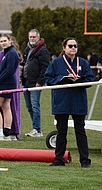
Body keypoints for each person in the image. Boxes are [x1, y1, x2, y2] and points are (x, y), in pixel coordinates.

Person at [44, 37, 94, 168]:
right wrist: (62, 79)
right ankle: (59, 159)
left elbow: (90, 80)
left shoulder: (83, 62)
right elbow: (48, 79)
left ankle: (85, 160)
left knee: (80, 131)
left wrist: (79, 80)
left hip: (78, 101)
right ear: (64, 48)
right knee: (61, 131)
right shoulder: (56, 63)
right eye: (70, 46)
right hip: (62, 101)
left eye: (75, 46)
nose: (73, 48)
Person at [0, 35, 22, 140]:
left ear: (10, 41)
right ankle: (7, 132)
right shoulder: (7, 53)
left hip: (5, 84)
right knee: (6, 106)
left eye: (5, 41)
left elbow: (9, 71)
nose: (3, 43)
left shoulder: (11, 53)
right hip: (8, 84)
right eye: (1, 41)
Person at [21, 29, 50, 137]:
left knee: (34, 105)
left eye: (34, 37)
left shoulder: (43, 50)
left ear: (38, 37)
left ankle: (37, 129)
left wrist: (40, 81)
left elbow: (45, 66)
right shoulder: (27, 49)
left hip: (35, 83)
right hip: (26, 82)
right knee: (29, 106)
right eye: (30, 37)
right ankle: (35, 128)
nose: (32, 39)